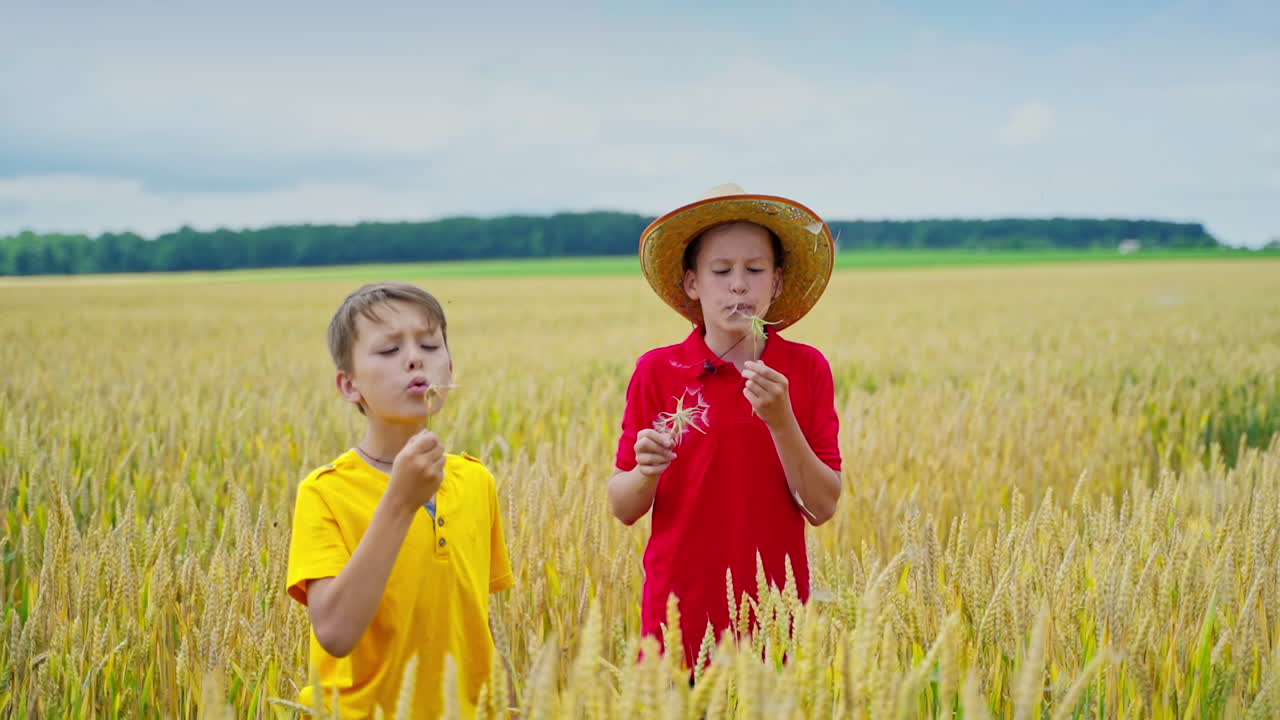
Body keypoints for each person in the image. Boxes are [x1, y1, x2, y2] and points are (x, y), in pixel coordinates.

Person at [608, 183, 843, 666]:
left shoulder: (805, 369)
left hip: (775, 620)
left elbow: (822, 506)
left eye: (754, 270)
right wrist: (647, 471)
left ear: (776, 283)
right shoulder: (658, 371)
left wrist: (781, 420)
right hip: (678, 617)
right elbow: (623, 505)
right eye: (721, 271)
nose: (739, 284)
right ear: (692, 282)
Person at [286, 282, 514, 718]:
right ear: (349, 386)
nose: (414, 358)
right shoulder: (325, 492)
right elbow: (334, 632)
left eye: (429, 344)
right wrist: (401, 500)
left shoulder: (475, 480)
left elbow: (479, 621)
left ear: (450, 367)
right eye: (389, 351)